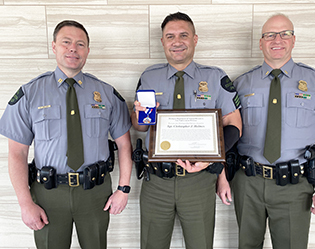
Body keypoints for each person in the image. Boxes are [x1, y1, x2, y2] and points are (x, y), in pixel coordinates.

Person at [0, 20, 133, 249]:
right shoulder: (30, 93)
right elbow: (17, 153)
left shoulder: (106, 93)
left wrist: (123, 189)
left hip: (95, 193)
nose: (73, 48)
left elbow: (124, 145)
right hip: (48, 195)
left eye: (80, 44)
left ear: (87, 51)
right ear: (54, 47)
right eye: (66, 42)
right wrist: (25, 203)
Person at [232, 13, 315, 249]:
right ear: (261, 42)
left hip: (295, 186)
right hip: (248, 182)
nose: (278, 39)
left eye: (285, 34)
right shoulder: (240, 84)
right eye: (270, 35)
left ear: (293, 40)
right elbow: (228, 134)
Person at [131, 12, 242, 249]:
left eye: (183, 35)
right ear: (162, 41)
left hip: (199, 181)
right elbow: (139, 126)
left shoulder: (215, 77)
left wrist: (210, 163)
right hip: (156, 182)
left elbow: (234, 126)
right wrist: (141, 114)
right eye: (170, 36)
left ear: (195, 39)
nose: (177, 41)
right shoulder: (149, 77)